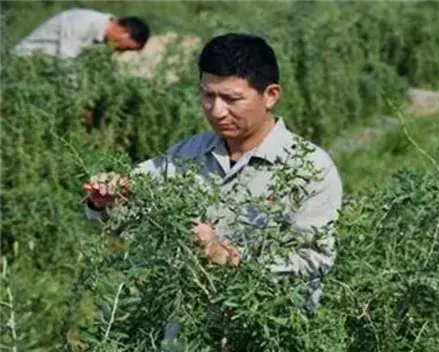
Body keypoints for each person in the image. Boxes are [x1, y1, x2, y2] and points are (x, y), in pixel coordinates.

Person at [82, 33, 343, 310]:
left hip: (268, 333)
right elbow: (125, 220)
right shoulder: (188, 154)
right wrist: (106, 202)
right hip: (188, 334)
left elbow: (315, 260)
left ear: (270, 96)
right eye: (208, 95)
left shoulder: (310, 168)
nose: (217, 111)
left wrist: (228, 257)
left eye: (231, 99)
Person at [12, 8, 150, 59]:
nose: (120, 51)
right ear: (125, 32)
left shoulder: (102, 39)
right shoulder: (83, 23)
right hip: (25, 63)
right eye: (125, 47)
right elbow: (65, 63)